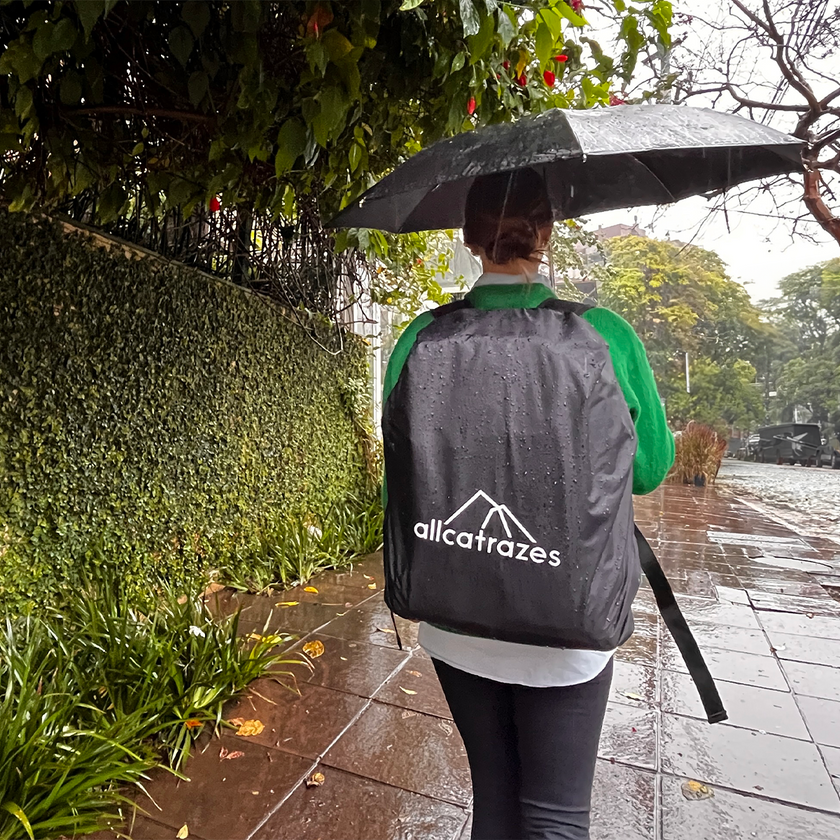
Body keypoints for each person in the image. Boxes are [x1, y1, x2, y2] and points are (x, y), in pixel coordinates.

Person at [381, 167, 674, 840]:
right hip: (567, 617)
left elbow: (402, 477)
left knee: (495, 801)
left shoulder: (419, 338)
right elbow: (651, 469)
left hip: (454, 615)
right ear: (544, 232)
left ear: (469, 237)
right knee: (555, 816)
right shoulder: (606, 335)